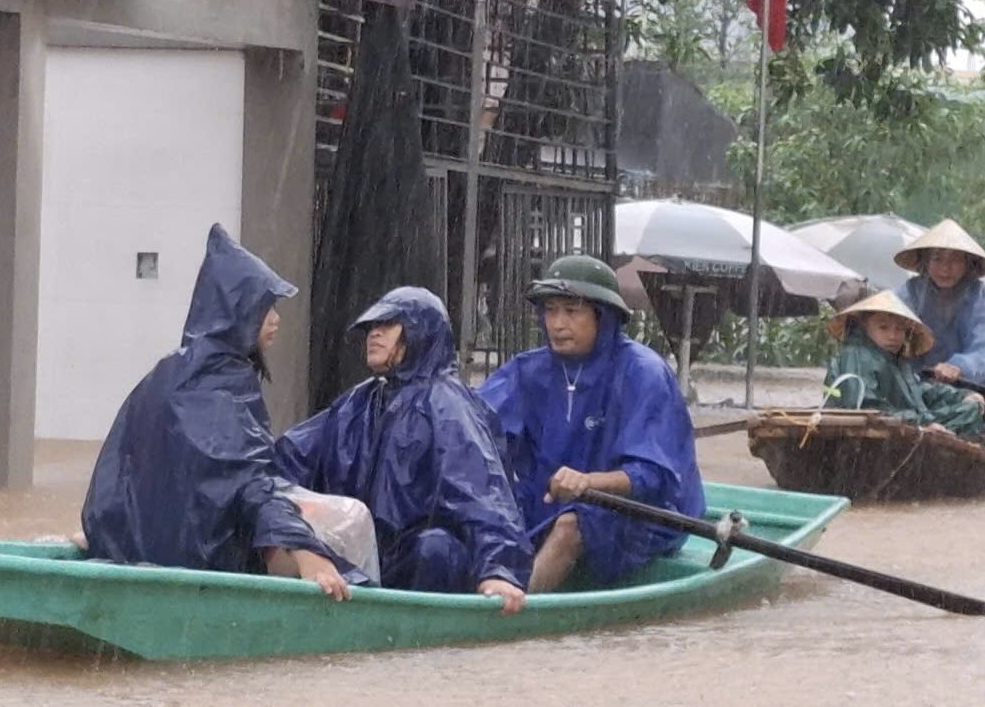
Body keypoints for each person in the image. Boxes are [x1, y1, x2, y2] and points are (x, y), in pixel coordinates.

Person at [78, 224, 364, 601]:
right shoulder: (226, 388)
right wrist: (309, 554)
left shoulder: (165, 374)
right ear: (239, 312)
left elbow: (119, 475)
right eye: (266, 307)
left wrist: (103, 536)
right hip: (204, 563)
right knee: (352, 518)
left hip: (138, 554)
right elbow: (250, 482)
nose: (276, 318)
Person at [274, 287, 532, 614]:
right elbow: (287, 458)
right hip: (370, 555)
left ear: (418, 332)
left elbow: (483, 493)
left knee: (435, 548)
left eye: (388, 325)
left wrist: (499, 569)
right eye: (370, 328)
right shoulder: (357, 403)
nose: (374, 334)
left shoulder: (446, 405)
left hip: (421, 560)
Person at [479, 255, 705, 592]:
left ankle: (513, 616)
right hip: (549, 500)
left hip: (644, 514)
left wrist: (587, 482)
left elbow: (653, 478)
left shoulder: (644, 373)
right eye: (550, 310)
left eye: (571, 311)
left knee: (572, 523)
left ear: (603, 316)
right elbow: (475, 426)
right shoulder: (527, 370)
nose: (556, 324)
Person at [894, 219, 985, 448]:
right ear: (925, 261)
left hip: (984, 376)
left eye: (955, 259)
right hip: (924, 375)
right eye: (937, 258)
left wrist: (960, 366)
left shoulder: (984, 296)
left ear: (968, 263)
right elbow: (893, 335)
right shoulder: (908, 293)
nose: (945, 268)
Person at [823, 290, 985, 438]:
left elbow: (920, 392)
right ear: (864, 327)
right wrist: (921, 424)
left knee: (970, 408)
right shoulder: (857, 355)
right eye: (883, 327)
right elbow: (868, 408)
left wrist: (960, 396)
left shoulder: (895, 360)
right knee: (965, 417)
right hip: (873, 432)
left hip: (906, 421)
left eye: (899, 329)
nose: (892, 336)